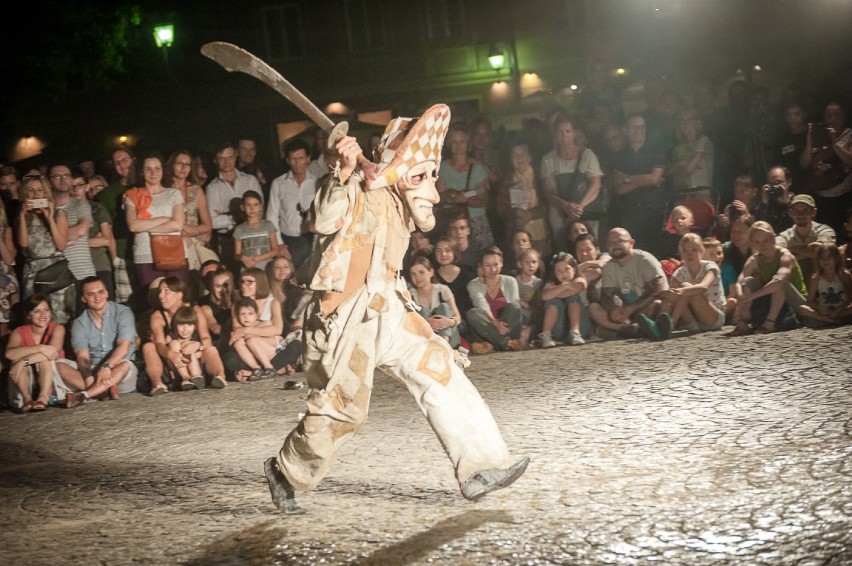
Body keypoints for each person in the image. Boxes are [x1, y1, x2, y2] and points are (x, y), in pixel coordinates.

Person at [265, 105, 528, 515]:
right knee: (345, 407)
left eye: (433, 176)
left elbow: (387, 263)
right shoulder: (353, 187)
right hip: (345, 318)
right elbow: (323, 218)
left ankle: (482, 467)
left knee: (440, 368)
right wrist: (342, 169)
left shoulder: (398, 203)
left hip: (388, 306)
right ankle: (288, 472)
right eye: (421, 176)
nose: (434, 192)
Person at [146, 277, 227, 395]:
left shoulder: (195, 310)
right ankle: (158, 384)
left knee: (211, 349)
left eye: (166, 291)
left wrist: (198, 346)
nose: (161, 295)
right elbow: (159, 344)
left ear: (179, 294)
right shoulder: (158, 316)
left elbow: (206, 338)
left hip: (196, 359)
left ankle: (220, 377)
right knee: (148, 347)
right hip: (173, 362)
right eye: (160, 291)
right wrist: (171, 354)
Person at [65, 276, 138, 407]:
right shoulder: (79, 323)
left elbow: (124, 347)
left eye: (101, 292)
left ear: (107, 293)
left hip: (118, 368)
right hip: (93, 371)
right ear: (83, 298)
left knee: (125, 364)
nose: (97, 298)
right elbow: (82, 356)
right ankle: (102, 391)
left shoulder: (123, 312)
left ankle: (85, 395)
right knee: (59, 364)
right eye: (91, 294)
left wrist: (106, 366)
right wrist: (88, 378)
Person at [728, 221, 807, 336]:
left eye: (766, 240)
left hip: (796, 300)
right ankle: (743, 322)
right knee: (748, 282)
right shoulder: (755, 259)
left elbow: (780, 280)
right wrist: (742, 297)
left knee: (779, 284)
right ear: (752, 243)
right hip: (775, 299)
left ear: (773, 239)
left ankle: (769, 323)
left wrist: (752, 297)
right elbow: (740, 281)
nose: (762, 245)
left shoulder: (784, 255)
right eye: (757, 242)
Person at [4, 294, 80, 412]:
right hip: (28, 379)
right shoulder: (19, 332)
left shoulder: (57, 328)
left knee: (44, 359)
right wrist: (39, 347)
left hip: (54, 376)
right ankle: (27, 399)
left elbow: (53, 351)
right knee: (16, 360)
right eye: (37, 311)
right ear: (28, 315)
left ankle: (43, 397)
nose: (43, 315)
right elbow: (9, 354)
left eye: (46, 310)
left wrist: (23, 362)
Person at [124, 153, 188, 290]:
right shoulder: (133, 195)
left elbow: (177, 224)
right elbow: (133, 226)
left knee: (177, 296)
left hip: (173, 252)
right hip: (145, 255)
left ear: (163, 170)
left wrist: (147, 227)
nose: (153, 173)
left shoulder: (174, 193)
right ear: (141, 172)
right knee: (150, 299)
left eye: (157, 168)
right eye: (148, 169)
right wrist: (164, 219)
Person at [540, 115, 604, 243]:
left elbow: (595, 185)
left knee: (588, 245)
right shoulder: (548, 159)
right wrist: (565, 206)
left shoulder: (587, 155)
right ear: (555, 134)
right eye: (560, 132)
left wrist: (579, 207)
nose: (564, 135)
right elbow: (548, 191)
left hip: (586, 211)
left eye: (568, 131)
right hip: (559, 213)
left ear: (574, 133)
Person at [17, 174, 72, 322]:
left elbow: (61, 245)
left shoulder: (59, 215)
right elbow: (23, 244)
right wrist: (22, 215)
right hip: (33, 273)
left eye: (40, 190)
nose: (35, 195)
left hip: (56, 272)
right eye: (31, 190)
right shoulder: (24, 218)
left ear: (46, 192)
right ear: (25, 194)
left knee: (59, 317)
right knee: (35, 317)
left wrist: (49, 218)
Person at [598, 227, 670, 340]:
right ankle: (634, 329)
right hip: (628, 312)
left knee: (657, 303)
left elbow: (658, 289)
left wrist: (632, 308)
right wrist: (613, 309)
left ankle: (627, 330)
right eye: (611, 242)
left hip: (650, 307)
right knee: (594, 309)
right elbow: (606, 295)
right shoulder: (608, 267)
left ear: (631, 243)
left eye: (620, 241)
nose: (615, 245)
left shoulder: (645, 260)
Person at [609, 114, 666, 255]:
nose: (639, 130)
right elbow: (620, 189)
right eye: (634, 127)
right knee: (632, 255)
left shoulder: (657, 151)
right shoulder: (619, 156)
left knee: (656, 254)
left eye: (642, 127)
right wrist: (645, 179)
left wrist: (627, 179)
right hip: (629, 214)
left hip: (654, 213)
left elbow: (654, 179)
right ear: (626, 130)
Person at [206, 142, 263, 274]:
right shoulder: (212, 188)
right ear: (215, 160)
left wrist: (225, 215)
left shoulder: (250, 180)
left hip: (253, 236)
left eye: (230, 157)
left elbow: (260, 209)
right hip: (228, 240)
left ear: (236, 156)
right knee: (233, 276)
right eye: (222, 158)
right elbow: (212, 222)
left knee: (257, 275)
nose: (227, 162)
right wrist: (235, 216)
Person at [436, 123, 493, 250]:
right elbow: (439, 198)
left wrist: (466, 200)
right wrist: (450, 194)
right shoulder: (443, 168)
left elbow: (483, 200)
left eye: (462, 142)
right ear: (449, 144)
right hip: (452, 223)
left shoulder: (477, 168)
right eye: (454, 142)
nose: (458, 146)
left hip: (475, 220)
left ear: (468, 144)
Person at [658, 233, 726, 335]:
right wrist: (667, 294)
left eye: (694, 250)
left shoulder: (710, 266)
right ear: (681, 253)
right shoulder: (679, 273)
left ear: (701, 251)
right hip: (693, 319)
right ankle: (658, 326)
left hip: (713, 316)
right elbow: (672, 295)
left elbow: (704, 287)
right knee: (670, 298)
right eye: (685, 251)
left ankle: (671, 325)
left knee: (685, 287)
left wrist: (682, 290)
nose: (689, 254)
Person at [49, 163, 96, 309]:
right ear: (49, 181)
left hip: (83, 272)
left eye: (66, 176)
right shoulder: (46, 209)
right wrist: (66, 238)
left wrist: (54, 238)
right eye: (57, 176)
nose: (63, 179)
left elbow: (81, 230)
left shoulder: (80, 205)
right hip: (56, 276)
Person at [267, 139, 316, 269]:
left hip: (313, 238)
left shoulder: (316, 183)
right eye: (293, 159)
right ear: (287, 160)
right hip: (288, 241)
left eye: (301, 158)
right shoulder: (278, 183)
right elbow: (272, 216)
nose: (297, 163)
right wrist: (279, 243)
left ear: (308, 159)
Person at [466, 246, 525, 354]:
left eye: (496, 264)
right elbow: (481, 304)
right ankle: (506, 343)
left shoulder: (510, 281)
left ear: (501, 263)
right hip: (487, 328)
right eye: (487, 265)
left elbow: (514, 305)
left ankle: (496, 343)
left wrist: (500, 324)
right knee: (472, 313)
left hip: (508, 326)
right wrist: (495, 323)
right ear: (481, 266)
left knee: (515, 307)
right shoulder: (473, 284)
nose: (492, 270)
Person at [164, 149, 215, 271]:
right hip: (170, 242)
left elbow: (207, 225)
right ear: (172, 165)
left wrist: (194, 231)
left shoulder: (196, 190)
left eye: (187, 164)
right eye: (179, 163)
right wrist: (184, 228)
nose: (183, 168)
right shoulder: (164, 189)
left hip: (192, 243)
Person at [99, 148, 137, 304]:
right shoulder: (108, 194)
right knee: (127, 302)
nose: (122, 165)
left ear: (134, 161)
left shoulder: (147, 186)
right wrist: (115, 258)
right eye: (117, 162)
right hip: (123, 253)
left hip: (148, 251)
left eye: (125, 160)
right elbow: (107, 227)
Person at [73, 173, 115, 299]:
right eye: (72, 186)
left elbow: (107, 239)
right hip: (76, 267)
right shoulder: (64, 211)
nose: (75, 190)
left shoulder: (97, 208)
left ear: (86, 187)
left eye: (79, 185)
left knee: (106, 306)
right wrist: (94, 240)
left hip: (99, 264)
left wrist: (76, 241)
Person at [775, 194, 836, 281]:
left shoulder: (825, 230)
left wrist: (790, 251)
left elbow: (821, 252)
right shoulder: (785, 236)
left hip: (823, 281)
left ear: (813, 212)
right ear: (790, 213)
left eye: (805, 210)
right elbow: (775, 254)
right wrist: (809, 252)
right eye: (796, 210)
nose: (800, 214)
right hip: (795, 280)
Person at [408, 255, 462, 348]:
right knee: (422, 310)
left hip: (448, 336)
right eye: (414, 274)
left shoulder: (442, 289)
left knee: (444, 307)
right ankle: (432, 345)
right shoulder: (410, 295)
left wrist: (448, 322)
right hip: (425, 338)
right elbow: (408, 324)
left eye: (421, 272)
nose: (417, 277)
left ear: (431, 272)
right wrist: (425, 322)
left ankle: (443, 343)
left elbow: (458, 318)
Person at [539, 252, 588, 347]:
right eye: (559, 271)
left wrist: (556, 293)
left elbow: (576, 288)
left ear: (574, 269)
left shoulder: (579, 279)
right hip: (559, 328)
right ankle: (546, 335)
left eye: (567, 269)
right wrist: (564, 286)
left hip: (581, 326)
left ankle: (575, 333)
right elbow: (544, 296)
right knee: (553, 301)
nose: (564, 273)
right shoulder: (551, 284)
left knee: (573, 297)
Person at [796, 243, 852, 327]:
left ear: (836, 258)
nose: (825, 260)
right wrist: (820, 308)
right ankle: (828, 320)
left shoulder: (844, 275)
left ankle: (836, 318)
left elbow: (850, 298)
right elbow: (809, 301)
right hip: (824, 310)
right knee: (802, 309)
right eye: (822, 258)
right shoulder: (815, 278)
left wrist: (839, 309)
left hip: (841, 309)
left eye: (829, 257)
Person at [667, 107, 714, 192]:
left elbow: (689, 168)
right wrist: (679, 163)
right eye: (681, 120)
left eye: (689, 119)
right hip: (680, 196)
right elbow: (667, 171)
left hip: (701, 196)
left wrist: (678, 168)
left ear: (697, 122)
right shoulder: (678, 147)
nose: (684, 123)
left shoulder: (704, 141)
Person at [163, 305, 208, 390]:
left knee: (190, 346)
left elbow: (204, 352)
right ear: (175, 325)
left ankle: (196, 378)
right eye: (181, 325)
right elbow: (166, 356)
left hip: (196, 369)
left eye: (189, 325)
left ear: (195, 326)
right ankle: (185, 378)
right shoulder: (171, 336)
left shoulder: (196, 337)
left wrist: (193, 352)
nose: (185, 329)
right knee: (175, 343)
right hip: (178, 371)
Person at [234, 190, 278, 272]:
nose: (252, 208)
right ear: (242, 207)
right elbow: (237, 254)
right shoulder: (239, 229)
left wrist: (257, 259)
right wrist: (242, 258)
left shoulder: (268, 225)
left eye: (255, 205)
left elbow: (275, 250)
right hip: (248, 270)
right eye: (248, 205)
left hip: (266, 269)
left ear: (260, 206)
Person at [433, 236, 475, 317]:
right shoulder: (431, 276)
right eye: (438, 251)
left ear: (454, 252)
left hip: (466, 323)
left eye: (447, 250)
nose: (443, 254)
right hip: (442, 322)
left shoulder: (468, 275)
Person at [514, 247, 543, 347]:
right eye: (527, 262)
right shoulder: (514, 282)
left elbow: (538, 307)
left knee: (525, 333)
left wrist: (523, 303)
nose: (531, 265)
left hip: (532, 319)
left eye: (534, 262)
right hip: (517, 317)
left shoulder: (538, 283)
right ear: (520, 264)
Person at [754, 165, 794, 234]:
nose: (775, 186)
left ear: (789, 182)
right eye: (771, 183)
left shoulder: (796, 202)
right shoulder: (766, 204)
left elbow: (795, 226)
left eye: (779, 182)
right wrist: (764, 204)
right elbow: (758, 227)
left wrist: (785, 205)